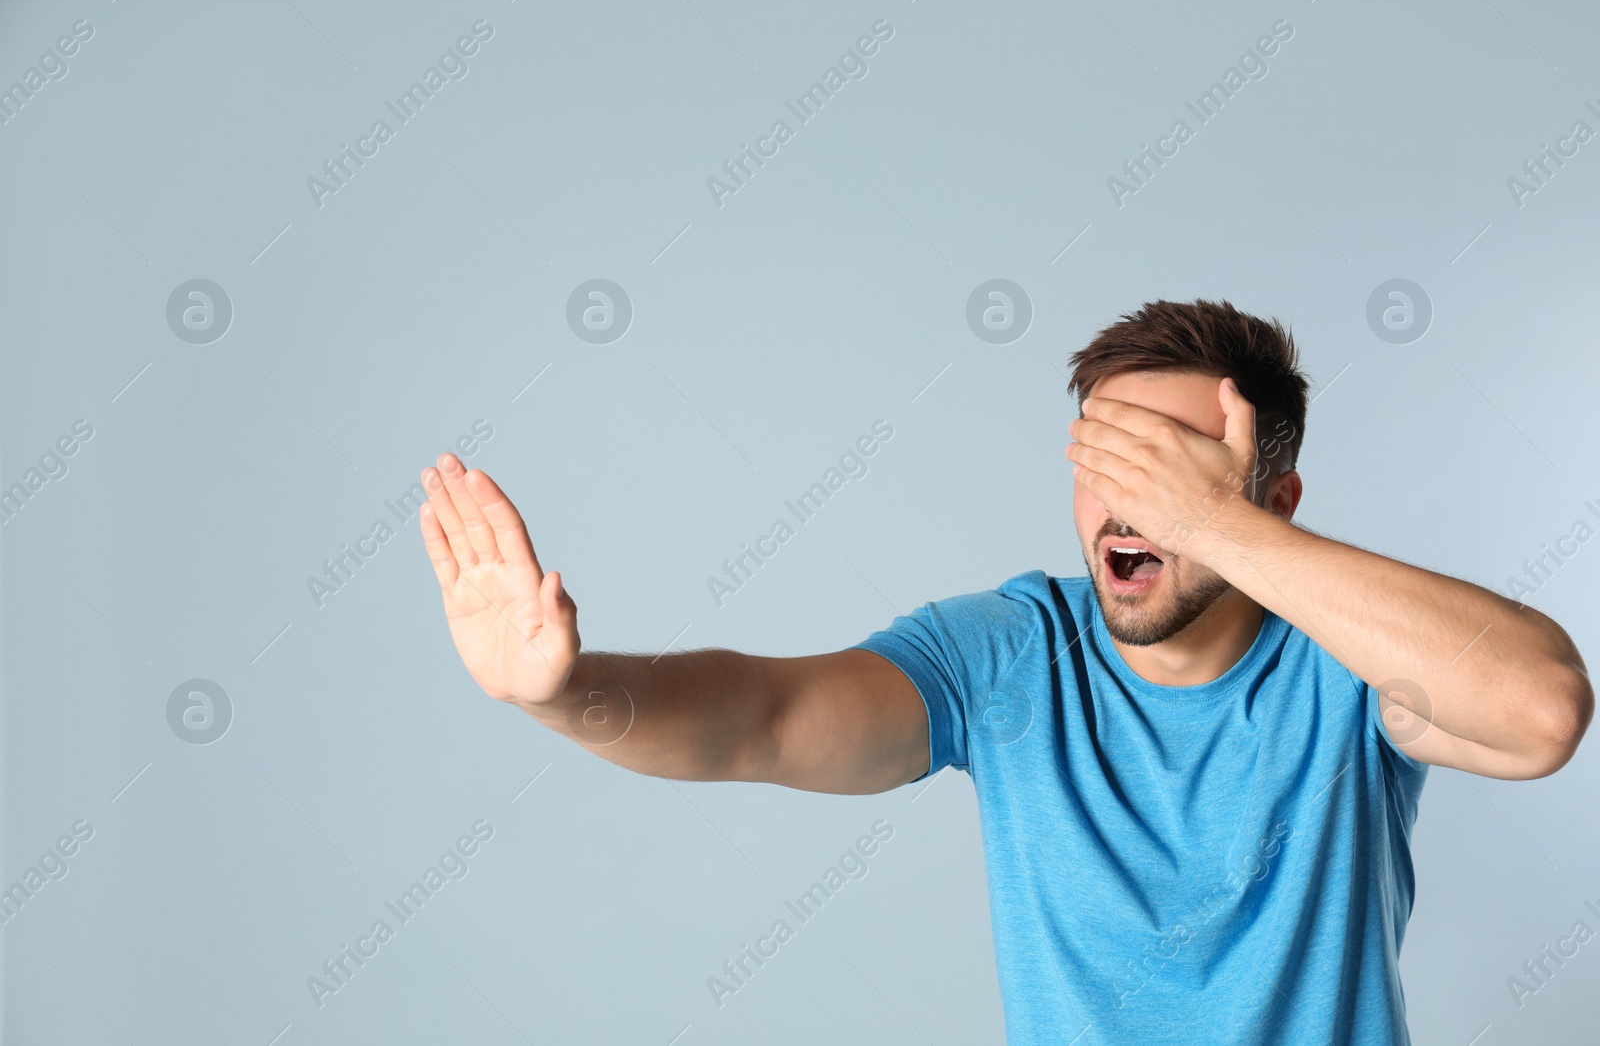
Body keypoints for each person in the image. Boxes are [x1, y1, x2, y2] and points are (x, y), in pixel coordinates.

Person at [415, 298, 1591, 1044]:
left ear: (1272, 501)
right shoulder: (1012, 650)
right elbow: (760, 720)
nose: (1129, 501)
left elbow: (1541, 709)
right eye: (1104, 458)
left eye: (1171, 466)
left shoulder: (1349, 658)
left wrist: (1225, 530)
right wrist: (563, 693)